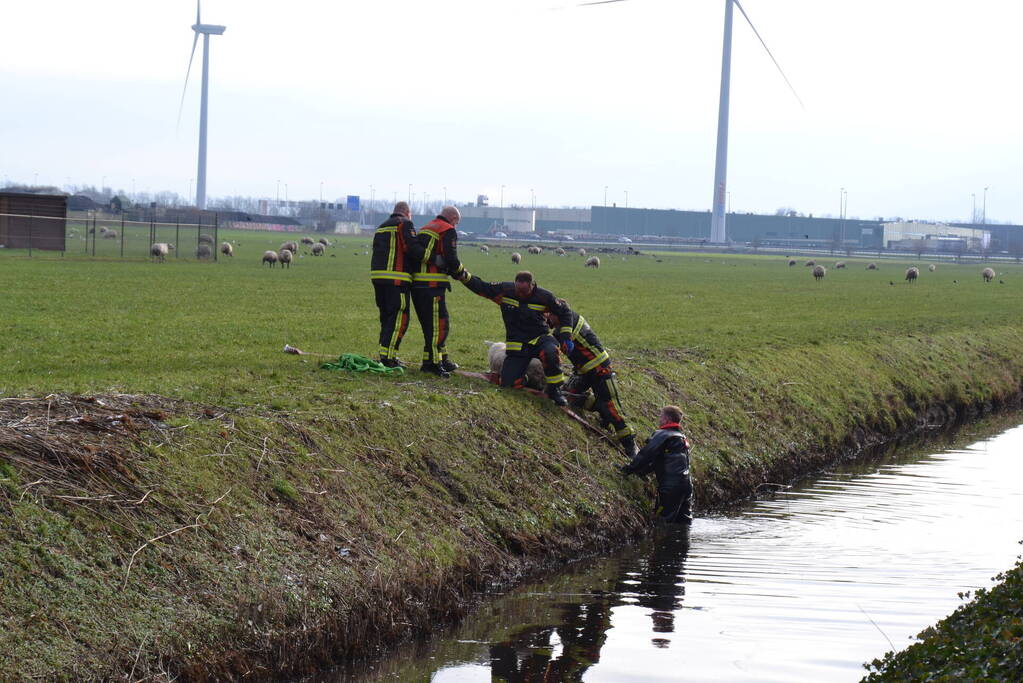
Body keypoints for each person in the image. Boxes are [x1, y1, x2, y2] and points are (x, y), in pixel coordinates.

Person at [454, 268, 571, 405]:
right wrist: (463, 276)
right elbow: (482, 287)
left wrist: (566, 337)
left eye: (524, 292)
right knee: (507, 385)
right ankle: (525, 379)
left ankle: (555, 390)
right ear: (515, 284)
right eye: (518, 291)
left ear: (532, 286)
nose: (521, 294)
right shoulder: (505, 290)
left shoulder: (545, 296)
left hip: (539, 339)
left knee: (551, 352)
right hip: (518, 345)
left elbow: (565, 312)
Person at [545, 302, 637, 457]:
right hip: (584, 371)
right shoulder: (570, 319)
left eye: (549, 315)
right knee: (566, 396)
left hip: (600, 370)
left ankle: (630, 445)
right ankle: (599, 407)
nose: (548, 319)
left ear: (556, 314)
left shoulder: (564, 328)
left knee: (611, 407)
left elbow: (552, 346)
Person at [408, 206, 465, 378]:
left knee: (431, 326)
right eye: (457, 222)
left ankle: (442, 359)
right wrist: (461, 273)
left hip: (418, 284)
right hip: (431, 285)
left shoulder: (427, 227)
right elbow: (451, 257)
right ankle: (432, 364)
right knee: (439, 326)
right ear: (453, 217)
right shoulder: (447, 230)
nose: (456, 226)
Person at [621, 406, 693, 524]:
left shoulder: (662, 434)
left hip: (670, 488)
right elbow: (661, 461)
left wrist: (628, 469)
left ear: (667, 419)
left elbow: (646, 454)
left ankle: (661, 541)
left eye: (661, 416)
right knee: (684, 522)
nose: (659, 419)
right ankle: (682, 542)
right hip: (686, 485)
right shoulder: (682, 438)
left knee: (663, 521)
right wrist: (642, 472)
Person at [369, 201, 416, 367]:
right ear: (406, 212)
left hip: (378, 278)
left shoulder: (381, 226)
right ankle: (388, 358)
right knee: (398, 317)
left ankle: (384, 353)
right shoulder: (405, 224)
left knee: (386, 317)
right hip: (397, 279)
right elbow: (412, 249)